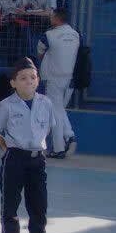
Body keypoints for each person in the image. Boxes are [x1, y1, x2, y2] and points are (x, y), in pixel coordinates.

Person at [0, 57, 65, 233]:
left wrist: (36, 145)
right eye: (22, 78)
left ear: (38, 80)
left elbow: (48, 127)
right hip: (15, 159)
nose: (28, 81)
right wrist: (8, 148)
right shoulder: (7, 105)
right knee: (11, 205)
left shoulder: (46, 103)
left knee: (39, 204)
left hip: (37, 160)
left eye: (32, 77)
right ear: (13, 83)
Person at [37, 9, 79, 159]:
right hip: (68, 77)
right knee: (60, 109)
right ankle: (69, 136)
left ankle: (59, 148)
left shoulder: (49, 35)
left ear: (56, 18)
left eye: (51, 16)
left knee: (55, 112)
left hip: (52, 78)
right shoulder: (75, 34)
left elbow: (40, 53)